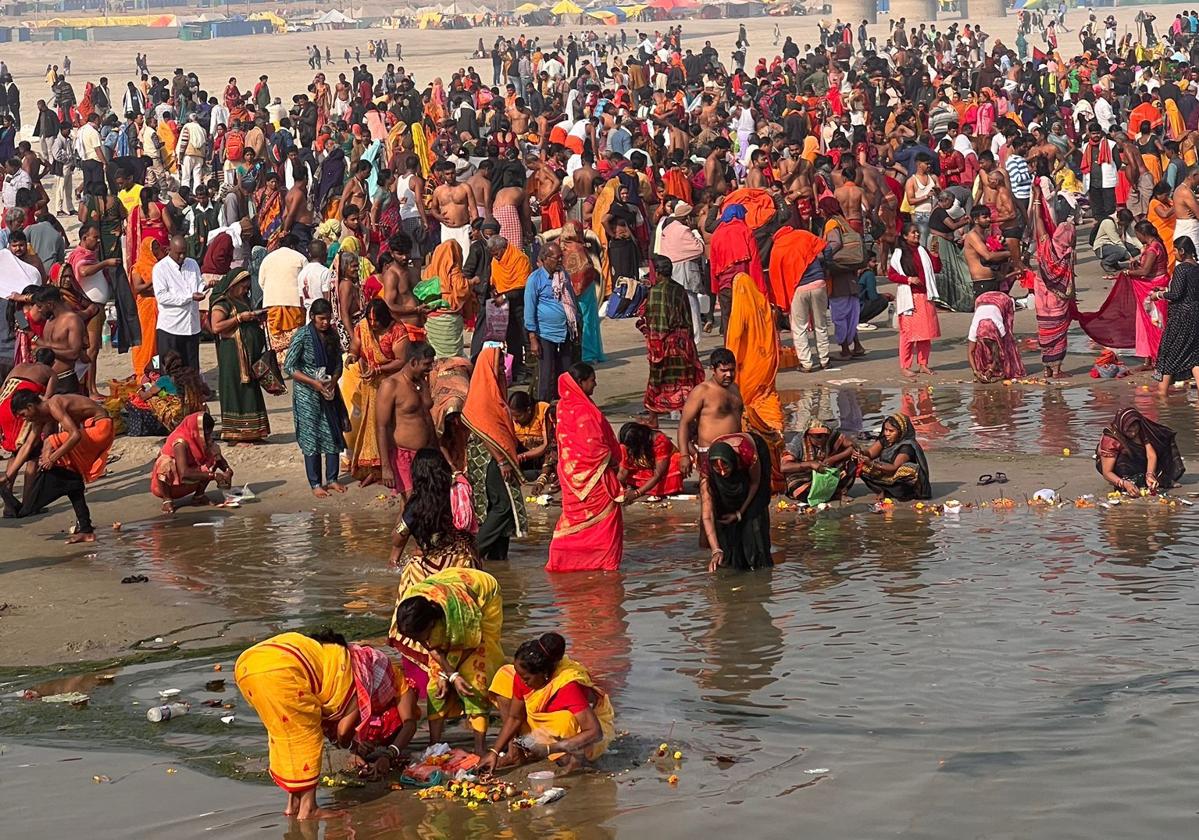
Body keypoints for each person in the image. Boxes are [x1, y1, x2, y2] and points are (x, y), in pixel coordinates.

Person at [234, 630, 418, 821]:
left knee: (286, 734)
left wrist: (358, 749)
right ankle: (309, 808)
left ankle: (293, 804)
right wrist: (359, 748)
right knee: (306, 736)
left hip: (248, 665)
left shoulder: (346, 661)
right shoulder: (372, 678)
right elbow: (344, 731)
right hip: (281, 669)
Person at [388, 449, 480, 687]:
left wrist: (395, 557)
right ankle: (462, 671)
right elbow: (470, 530)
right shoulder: (457, 495)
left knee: (412, 617)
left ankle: (426, 677)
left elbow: (399, 536)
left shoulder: (416, 505)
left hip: (424, 568)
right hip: (459, 563)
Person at [389, 567, 504, 754]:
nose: (421, 643)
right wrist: (446, 674)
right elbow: (430, 646)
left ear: (432, 624)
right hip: (446, 586)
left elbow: (471, 642)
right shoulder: (406, 613)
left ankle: (480, 748)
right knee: (436, 685)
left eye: (422, 636)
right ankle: (434, 746)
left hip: (483, 595)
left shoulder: (460, 612)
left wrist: (455, 675)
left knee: (474, 680)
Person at [480, 632, 615, 775]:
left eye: (526, 678)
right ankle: (515, 753)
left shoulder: (567, 686)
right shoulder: (524, 676)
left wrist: (551, 748)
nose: (521, 681)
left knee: (565, 734)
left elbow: (595, 732)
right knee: (504, 676)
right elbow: (515, 717)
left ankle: (571, 758)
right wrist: (494, 752)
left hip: (575, 732)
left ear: (544, 673)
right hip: (541, 719)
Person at [0, 391, 114, 543]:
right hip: (88, 430)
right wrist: (8, 476)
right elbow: (27, 446)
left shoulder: (54, 404)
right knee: (71, 477)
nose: (23, 419)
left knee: (50, 442)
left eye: (23, 414)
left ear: (30, 406)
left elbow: (75, 435)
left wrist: (52, 458)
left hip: (101, 427)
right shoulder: (39, 419)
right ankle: (86, 529)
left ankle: (36, 503)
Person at [547, 364, 623, 572]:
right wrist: (614, 459)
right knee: (607, 521)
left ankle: (563, 560)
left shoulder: (563, 407)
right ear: (580, 383)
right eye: (592, 380)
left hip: (570, 475)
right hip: (594, 477)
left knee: (573, 519)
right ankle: (606, 564)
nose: (596, 384)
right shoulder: (583, 410)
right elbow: (596, 445)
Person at [462, 346, 526, 561]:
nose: (502, 368)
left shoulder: (495, 391)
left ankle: (498, 559)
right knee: (503, 505)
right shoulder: (482, 395)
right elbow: (485, 429)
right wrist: (501, 461)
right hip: (490, 459)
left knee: (500, 509)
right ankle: (474, 552)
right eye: (499, 364)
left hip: (498, 456)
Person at [283, 299, 349, 497]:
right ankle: (315, 483)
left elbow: (338, 361)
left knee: (331, 431)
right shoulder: (302, 336)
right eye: (321, 319)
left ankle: (332, 478)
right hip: (307, 393)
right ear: (312, 317)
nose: (325, 323)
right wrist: (313, 383)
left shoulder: (332, 335)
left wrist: (334, 380)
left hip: (328, 390)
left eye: (328, 319)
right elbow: (289, 366)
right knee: (311, 435)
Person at [345, 299, 410, 485]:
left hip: (391, 383)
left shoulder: (397, 330)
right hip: (370, 385)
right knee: (372, 425)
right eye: (370, 320)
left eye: (377, 321)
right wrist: (351, 355)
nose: (373, 324)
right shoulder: (363, 327)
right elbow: (355, 347)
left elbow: (401, 360)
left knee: (391, 425)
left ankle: (392, 466)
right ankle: (375, 468)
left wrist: (379, 370)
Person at [638, 254, 703, 421]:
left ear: (658, 273)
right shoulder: (679, 289)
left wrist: (653, 347)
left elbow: (657, 325)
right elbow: (688, 318)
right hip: (683, 343)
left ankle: (654, 418)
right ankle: (687, 418)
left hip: (665, 344)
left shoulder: (655, 292)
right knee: (684, 383)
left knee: (658, 381)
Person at [209, 269, 270, 443]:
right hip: (233, 355)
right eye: (243, 287)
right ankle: (236, 431)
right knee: (236, 388)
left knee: (250, 388)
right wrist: (240, 318)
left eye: (247, 287)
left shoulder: (243, 300)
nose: (245, 290)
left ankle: (254, 430)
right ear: (234, 286)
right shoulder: (223, 303)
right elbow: (217, 326)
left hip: (248, 354)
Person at [699, 430, 772, 572]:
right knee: (722, 511)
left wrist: (740, 512)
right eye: (717, 468)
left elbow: (755, 484)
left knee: (754, 514)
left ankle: (758, 561)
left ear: (732, 462)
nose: (722, 472)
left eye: (725, 467)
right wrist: (715, 550)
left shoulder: (748, 455)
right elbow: (707, 515)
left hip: (754, 454)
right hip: (731, 460)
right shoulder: (706, 470)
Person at [376, 340, 436, 499]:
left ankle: (399, 525)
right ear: (414, 362)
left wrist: (437, 451)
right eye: (427, 364)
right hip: (403, 455)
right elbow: (382, 426)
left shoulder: (422, 382)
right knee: (413, 504)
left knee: (424, 502)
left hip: (426, 454)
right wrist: (386, 467)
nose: (430, 369)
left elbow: (427, 417)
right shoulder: (391, 385)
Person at [524, 242, 579, 403]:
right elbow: (529, 309)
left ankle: (565, 403)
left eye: (561, 257)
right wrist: (533, 339)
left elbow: (571, 301)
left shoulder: (563, 275)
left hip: (565, 330)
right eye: (557, 258)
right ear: (545, 259)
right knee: (546, 373)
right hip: (545, 333)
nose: (560, 261)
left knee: (566, 371)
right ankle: (543, 406)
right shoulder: (535, 279)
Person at [150, 411, 234, 513]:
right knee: (165, 464)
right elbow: (184, 474)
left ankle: (199, 496)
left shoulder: (202, 439)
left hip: (191, 478)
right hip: (170, 485)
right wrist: (214, 476)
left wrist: (228, 470)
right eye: (206, 434)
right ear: (196, 431)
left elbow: (218, 457)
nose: (208, 438)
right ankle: (167, 500)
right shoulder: (180, 442)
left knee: (212, 456)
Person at [1031, 191, 1076, 378]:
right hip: (1058, 304)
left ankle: (1047, 368)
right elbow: (1070, 284)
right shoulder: (1069, 255)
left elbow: (1039, 222)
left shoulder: (1045, 246)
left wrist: (1036, 200)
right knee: (1058, 334)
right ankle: (1056, 369)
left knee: (1045, 332)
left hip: (1042, 303)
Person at [888, 223, 941, 377]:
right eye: (913, 233)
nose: (916, 235)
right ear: (905, 236)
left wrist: (935, 255)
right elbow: (891, 275)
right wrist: (909, 279)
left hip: (925, 296)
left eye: (917, 232)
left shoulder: (922, 250)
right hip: (909, 297)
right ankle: (905, 366)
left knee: (926, 333)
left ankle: (923, 364)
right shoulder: (899, 254)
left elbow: (936, 268)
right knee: (908, 334)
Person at [1114, 220, 1169, 369]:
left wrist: (1127, 272)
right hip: (1151, 286)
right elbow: (1145, 269)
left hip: (1154, 289)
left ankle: (1159, 359)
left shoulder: (1153, 248)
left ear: (1143, 234)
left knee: (1156, 323)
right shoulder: (1154, 245)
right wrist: (1135, 267)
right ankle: (1149, 360)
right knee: (1145, 323)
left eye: (1138, 235)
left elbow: (1145, 272)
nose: (1137, 238)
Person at [1095, 408, 1184, 494]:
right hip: (1117, 464)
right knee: (1123, 461)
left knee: (1159, 444)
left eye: (1135, 427)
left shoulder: (1142, 431)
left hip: (1137, 461)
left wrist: (1150, 475)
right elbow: (1107, 472)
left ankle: (1154, 479)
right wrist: (1124, 483)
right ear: (1122, 427)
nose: (1133, 433)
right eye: (1129, 430)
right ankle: (1122, 480)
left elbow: (1151, 455)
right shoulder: (1111, 439)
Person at [152, 234, 206, 373]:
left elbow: (198, 284)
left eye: (184, 252)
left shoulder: (192, 264)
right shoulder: (160, 268)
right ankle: (174, 395)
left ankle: (192, 394)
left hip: (191, 326)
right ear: (169, 250)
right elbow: (162, 297)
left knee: (191, 369)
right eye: (178, 253)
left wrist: (203, 289)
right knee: (170, 370)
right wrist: (189, 297)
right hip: (171, 327)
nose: (182, 256)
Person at [1152, 236, 1199, 395]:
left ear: (1182, 251)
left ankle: (1162, 395)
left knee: (1169, 353)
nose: (1174, 253)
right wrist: (1166, 291)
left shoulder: (1181, 269)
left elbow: (1177, 294)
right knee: (1195, 356)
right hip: (1195, 315)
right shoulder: (1196, 268)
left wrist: (1157, 295)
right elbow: (1187, 292)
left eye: (1175, 250)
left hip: (1181, 316)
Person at [855, 412, 932, 501]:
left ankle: (901, 493)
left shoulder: (907, 446)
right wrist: (860, 453)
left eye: (891, 431)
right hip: (885, 473)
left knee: (908, 469)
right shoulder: (885, 440)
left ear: (900, 432)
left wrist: (871, 463)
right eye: (885, 430)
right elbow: (870, 453)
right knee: (860, 464)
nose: (887, 433)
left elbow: (894, 467)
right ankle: (881, 490)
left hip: (899, 477)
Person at [781, 418, 857, 503]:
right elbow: (784, 467)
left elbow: (852, 447)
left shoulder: (831, 435)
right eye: (818, 436)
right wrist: (810, 464)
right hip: (804, 477)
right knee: (798, 491)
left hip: (827, 472)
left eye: (825, 436)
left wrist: (833, 459)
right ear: (808, 435)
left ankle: (837, 491)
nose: (823, 439)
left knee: (853, 459)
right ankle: (831, 495)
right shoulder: (798, 442)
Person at [968, 290, 1026, 383]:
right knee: (979, 346)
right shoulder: (975, 328)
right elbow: (971, 352)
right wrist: (975, 371)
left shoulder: (1000, 328)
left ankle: (1002, 367)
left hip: (1002, 300)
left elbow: (999, 350)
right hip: (982, 299)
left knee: (1007, 342)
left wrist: (991, 369)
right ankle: (985, 367)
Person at [617, 421, 684, 501]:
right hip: (643, 468)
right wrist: (617, 490)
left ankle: (646, 488)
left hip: (662, 472)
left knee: (676, 460)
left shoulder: (660, 440)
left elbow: (658, 474)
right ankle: (643, 487)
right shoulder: (625, 444)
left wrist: (636, 493)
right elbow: (623, 471)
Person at [129, 236, 163, 377]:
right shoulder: (138, 267)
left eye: (157, 247)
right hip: (146, 309)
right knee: (145, 341)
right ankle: (141, 371)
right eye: (153, 248)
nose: (156, 251)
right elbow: (138, 288)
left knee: (157, 342)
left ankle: (155, 370)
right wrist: (153, 280)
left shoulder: (161, 265)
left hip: (159, 308)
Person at [509, 389, 555, 487]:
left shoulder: (543, 410)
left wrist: (522, 457)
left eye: (518, 416)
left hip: (543, 455)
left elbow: (546, 445)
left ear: (529, 410)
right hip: (522, 455)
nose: (514, 420)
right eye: (512, 416)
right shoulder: (512, 418)